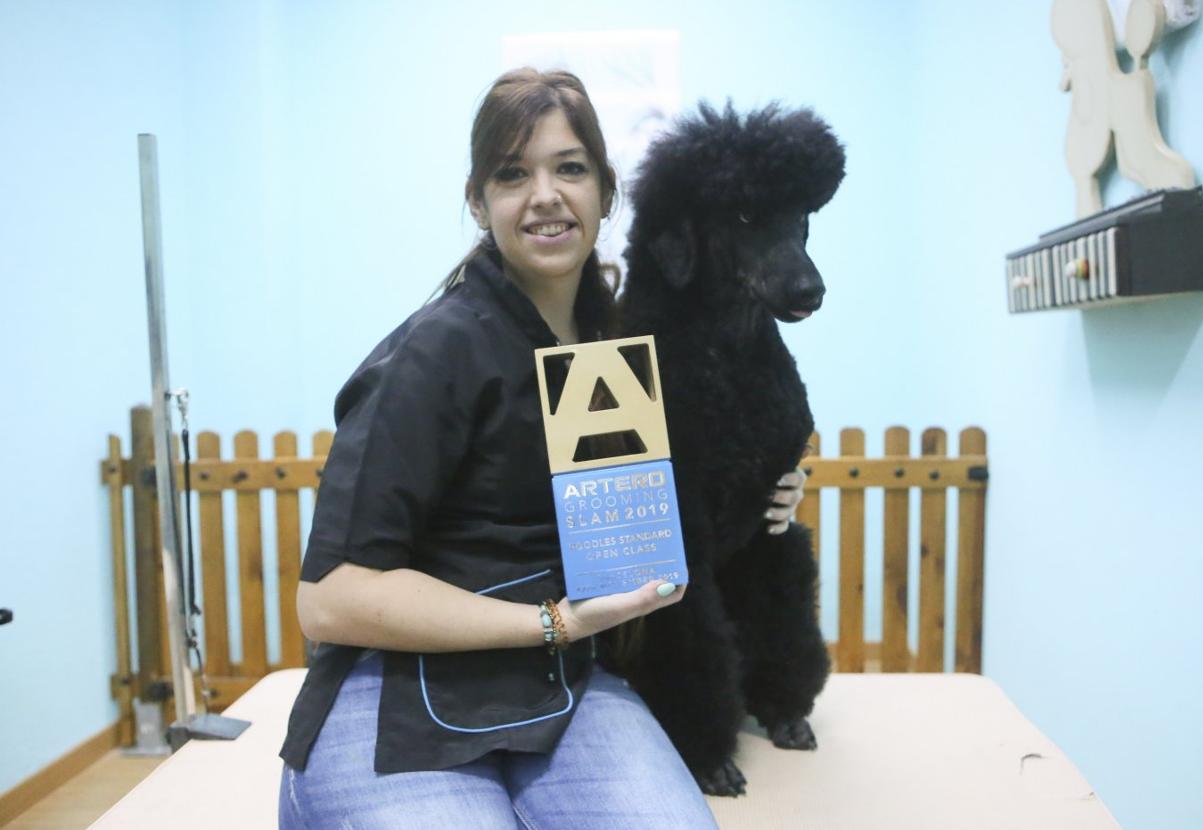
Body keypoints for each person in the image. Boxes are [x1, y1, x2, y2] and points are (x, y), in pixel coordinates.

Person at [276, 67, 807, 830]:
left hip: (569, 684)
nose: (546, 194)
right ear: (478, 200)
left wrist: (768, 496)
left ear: (605, 192)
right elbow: (328, 597)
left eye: (570, 168)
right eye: (512, 173)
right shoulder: (433, 355)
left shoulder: (619, 345)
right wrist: (553, 623)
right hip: (393, 693)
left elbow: (658, 521)